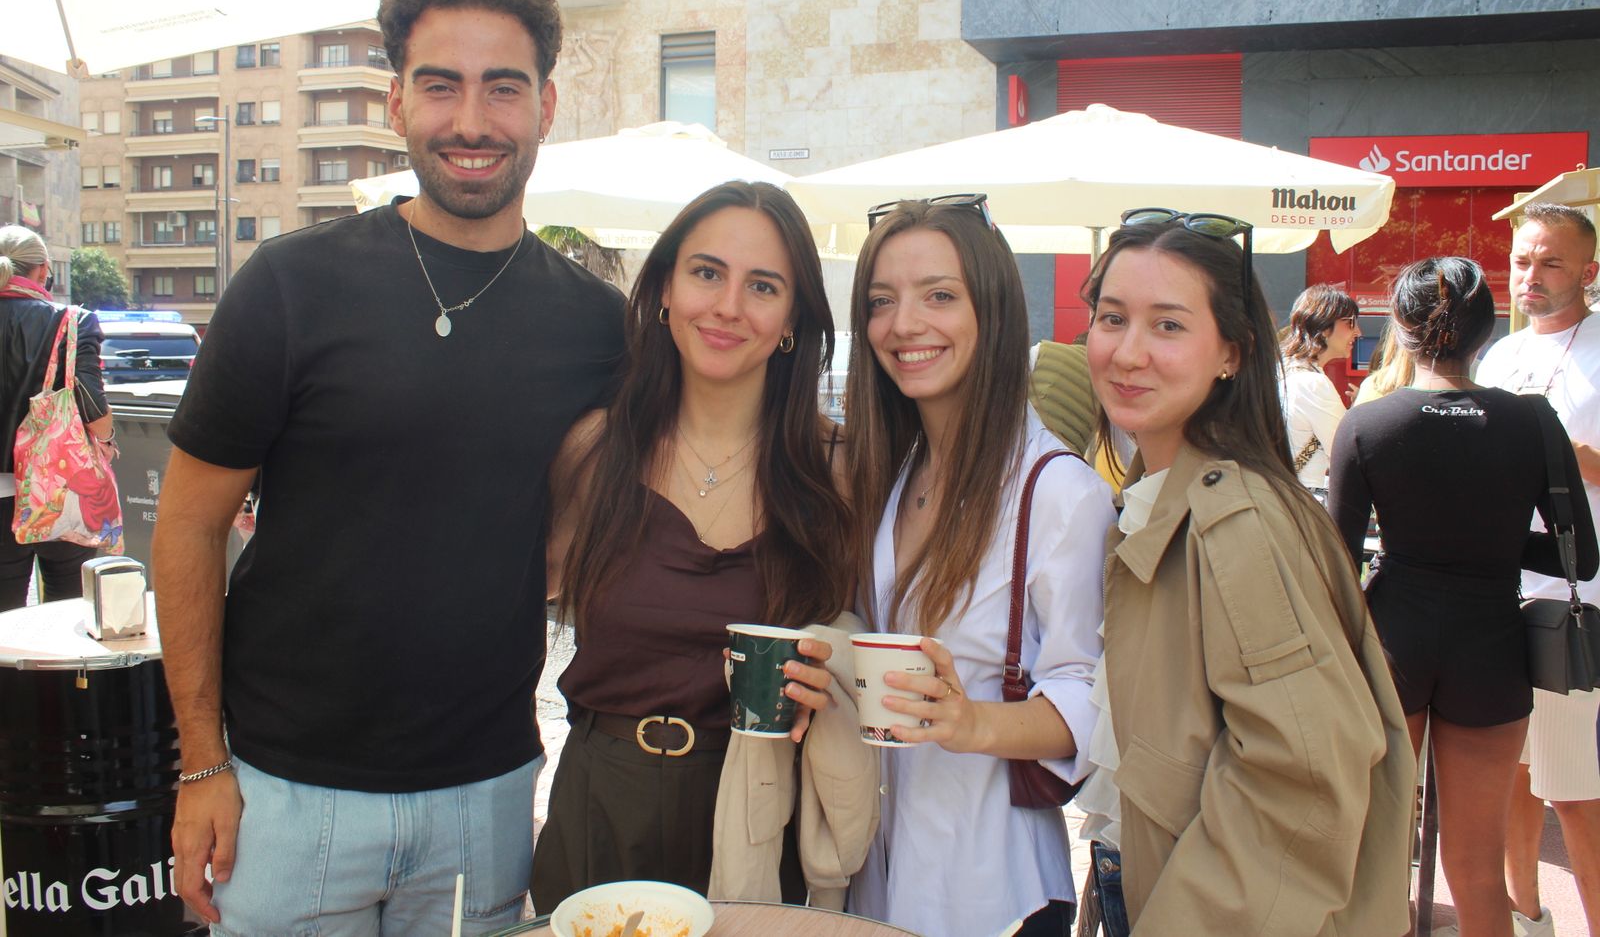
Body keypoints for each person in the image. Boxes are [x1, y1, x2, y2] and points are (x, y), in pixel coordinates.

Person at [151, 0, 625, 936]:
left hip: (488, 792)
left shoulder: (596, 326)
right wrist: (202, 760)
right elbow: (189, 530)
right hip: (284, 791)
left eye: (502, 86)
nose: (471, 119)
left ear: (544, 104)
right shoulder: (289, 287)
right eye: (441, 83)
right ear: (395, 98)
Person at [1084, 211, 1414, 936]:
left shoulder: (1239, 520)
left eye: (1167, 325)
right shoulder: (1160, 492)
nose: (1127, 352)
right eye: (1112, 318)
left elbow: (1301, 781)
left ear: (1231, 352)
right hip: (1153, 871)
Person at [531, 181, 852, 907]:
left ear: (792, 319)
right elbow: (513, 604)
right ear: (667, 289)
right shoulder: (596, 449)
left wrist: (837, 670)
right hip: (601, 804)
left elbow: (867, 634)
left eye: (762, 285)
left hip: (757, 808)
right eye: (707, 272)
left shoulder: (838, 469)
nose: (729, 305)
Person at [844, 195, 1115, 937]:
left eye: (939, 295)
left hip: (994, 888)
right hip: (880, 872)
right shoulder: (898, 471)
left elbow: (1088, 699)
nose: (904, 324)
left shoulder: (1057, 489)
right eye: (881, 300)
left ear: (991, 310)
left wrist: (971, 722)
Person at [1329, 257, 1597, 937]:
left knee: (1377, 858)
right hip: (1492, 643)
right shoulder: (1533, 421)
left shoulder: (1367, 423)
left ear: (1400, 326)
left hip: (1394, 639)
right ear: (1487, 331)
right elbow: (1581, 556)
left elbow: (1335, 558)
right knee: (1477, 870)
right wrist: (1498, 543)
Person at [1479, 202, 1600, 937]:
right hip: (1499, 596)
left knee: (1577, 794)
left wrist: (1567, 459)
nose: (1530, 275)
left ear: (1589, 272)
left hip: (1576, 600)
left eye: (1550, 261)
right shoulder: (1499, 356)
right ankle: (1527, 917)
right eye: (1523, 260)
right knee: (1511, 780)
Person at [0, 225, 115, 609]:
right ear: (43, 269)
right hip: (59, 491)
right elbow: (90, 403)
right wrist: (107, 439)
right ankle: (60, 675)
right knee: (66, 616)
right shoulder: (71, 321)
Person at [1280, 283, 1360, 489]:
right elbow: (1346, 452)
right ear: (1324, 328)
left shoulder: (1284, 371)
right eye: (1350, 323)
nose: (1358, 332)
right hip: (1305, 497)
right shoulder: (1312, 384)